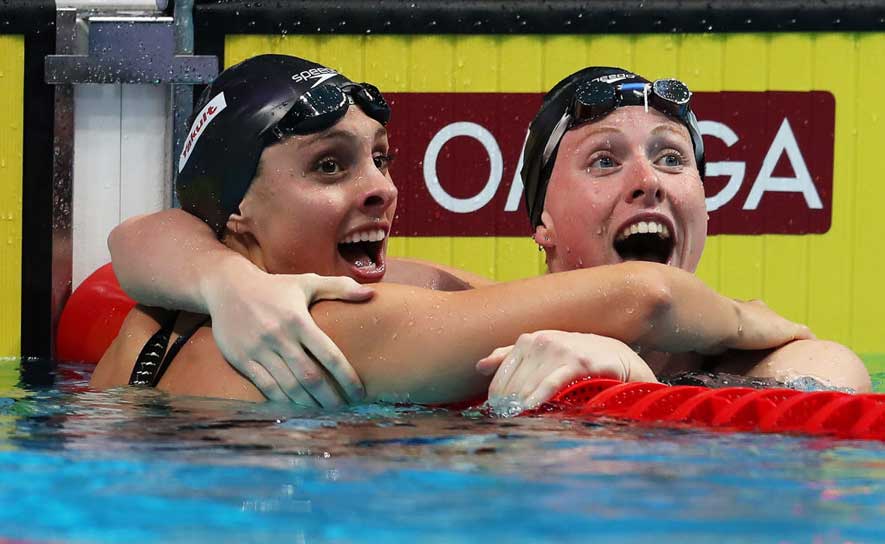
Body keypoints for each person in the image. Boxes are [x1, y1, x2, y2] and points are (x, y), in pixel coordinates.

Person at [89, 55, 812, 406]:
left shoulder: (155, 317)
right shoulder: (337, 325)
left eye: (380, 160)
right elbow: (646, 294)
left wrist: (222, 274)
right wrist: (751, 319)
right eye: (330, 167)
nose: (381, 188)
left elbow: (145, 233)